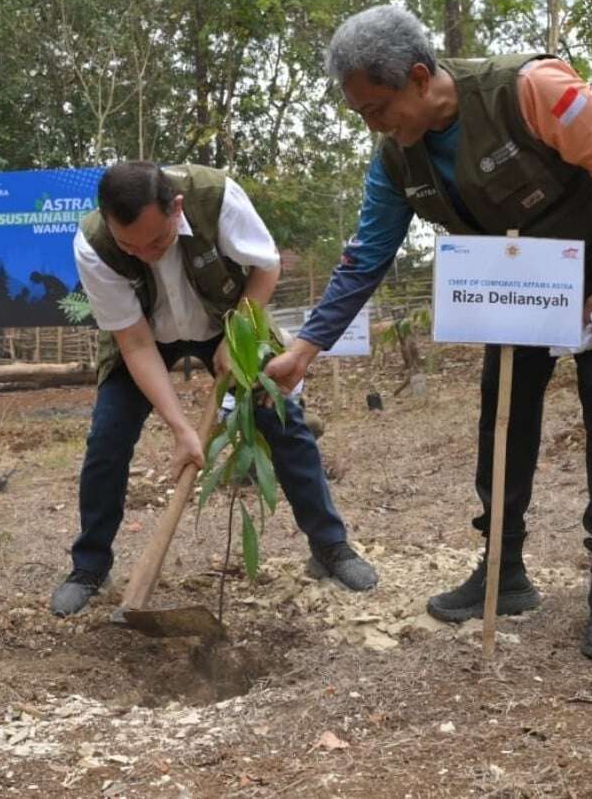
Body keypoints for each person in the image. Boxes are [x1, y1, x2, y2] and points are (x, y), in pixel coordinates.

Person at [265, 5, 592, 661]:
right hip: (520, 280)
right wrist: (305, 349)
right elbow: (366, 255)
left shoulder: (531, 90)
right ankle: (502, 569)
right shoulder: (396, 160)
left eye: (377, 107)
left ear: (420, 78)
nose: (373, 124)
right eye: (361, 113)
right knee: (503, 412)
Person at [49, 161, 378, 617]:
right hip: (146, 334)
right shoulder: (94, 244)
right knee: (108, 438)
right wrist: (184, 428)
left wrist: (238, 330)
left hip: (228, 315)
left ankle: (330, 547)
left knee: (278, 417)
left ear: (176, 209)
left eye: (158, 241)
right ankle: (89, 567)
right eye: (131, 245)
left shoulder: (216, 198)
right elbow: (136, 341)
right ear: (108, 222)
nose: (146, 255)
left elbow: (266, 267)